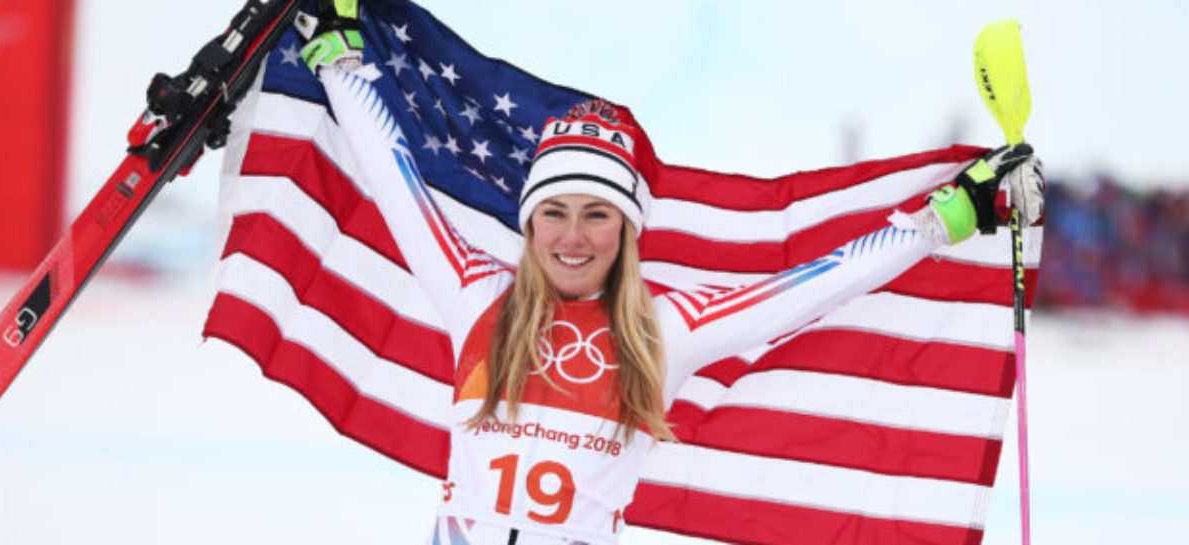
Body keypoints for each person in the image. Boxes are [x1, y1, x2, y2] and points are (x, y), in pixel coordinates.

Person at [301, 5, 1046, 544]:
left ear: (627, 231)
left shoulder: (663, 331)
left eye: (598, 215)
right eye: (554, 212)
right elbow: (396, 176)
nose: (572, 236)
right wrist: (335, 55)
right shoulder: (476, 295)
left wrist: (949, 214)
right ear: (528, 224)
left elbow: (818, 283)